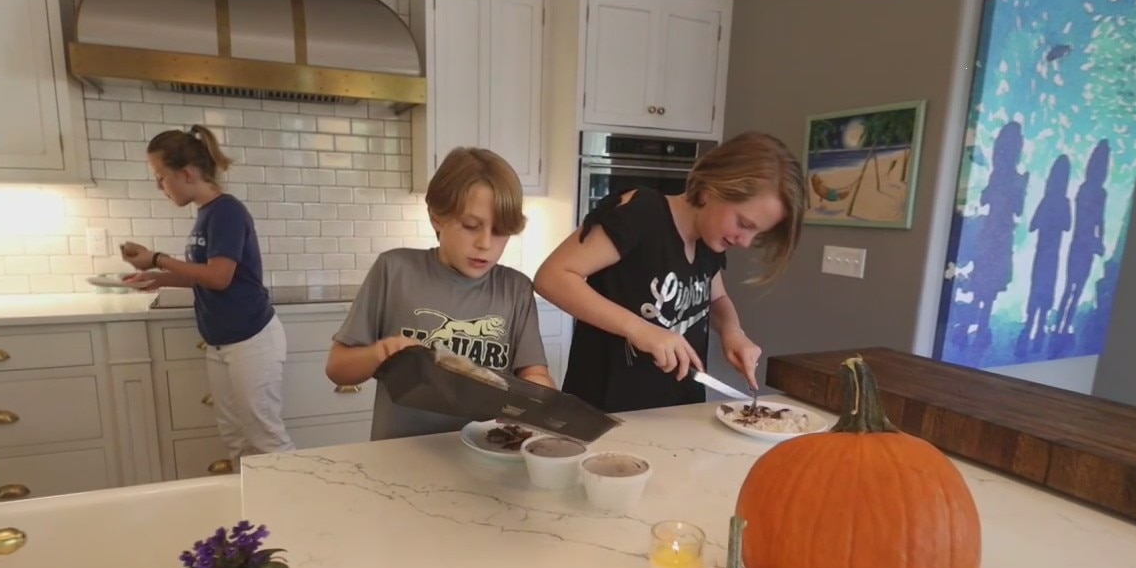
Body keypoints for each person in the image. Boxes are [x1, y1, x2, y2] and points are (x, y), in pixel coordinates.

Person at [533, 131, 805, 414]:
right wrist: (638, 328)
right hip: (609, 410)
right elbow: (552, 277)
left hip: (678, 409)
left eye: (756, 233)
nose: (745, 242)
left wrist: (732, 331)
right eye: (744, 223)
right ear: (713, 189)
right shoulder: (642, 212)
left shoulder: (709, 240)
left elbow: (717, 298)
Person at [326, 147, 555, 441]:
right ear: (437, 217)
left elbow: (534, 375)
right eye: (471, 226)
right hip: (400, 453)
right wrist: (379, 353)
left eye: (500, 231)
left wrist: (540, 397)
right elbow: (338, 368)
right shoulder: (395, 270)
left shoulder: (516, 289)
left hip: (486, 454)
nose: (485, 243)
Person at [121, 124, 295, 460]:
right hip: (223, 342)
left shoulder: (227, 211)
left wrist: (158, 258)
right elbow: (206, 275)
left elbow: (219, 277)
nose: (160, 186)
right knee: (235, 438)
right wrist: (158, 278)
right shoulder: (207, 215)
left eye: (160, 177)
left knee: (266, 438)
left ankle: (289, 511)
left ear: (186, 174)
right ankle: (249, 512)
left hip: (251, 340)